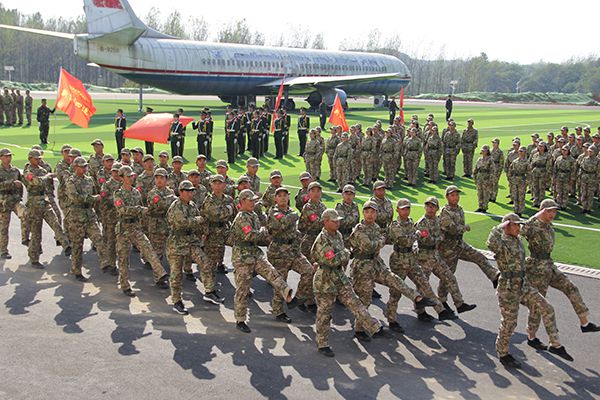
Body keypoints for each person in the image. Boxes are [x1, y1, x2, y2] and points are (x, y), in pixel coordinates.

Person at [487, 213, 573, 368]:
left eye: (519, 224)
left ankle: (555, 344)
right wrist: (501, 225)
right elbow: (491, 241)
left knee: (546, 307)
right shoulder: (501, 243)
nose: (519, 227)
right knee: (509, 323)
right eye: (515, 224)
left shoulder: (518, 239)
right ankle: (503, 353)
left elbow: (530, 224)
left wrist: (540, 213)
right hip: (508, 288)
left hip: (523, 284)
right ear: (507, 226)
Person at [348, 201, 436, 338]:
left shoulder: (376, 227)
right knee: (365, 300)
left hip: (376, 263)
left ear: (376, 214)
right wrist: (382, 239)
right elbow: (370, 246)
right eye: (367, 212)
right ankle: (359, 330)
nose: (370, 215)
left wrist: (383, 239)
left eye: (373, 212)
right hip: (362, 267)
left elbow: (386, 239)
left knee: (395, 280)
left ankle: (417, 298)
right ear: (363, 213)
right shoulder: (359, 229)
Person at [521, 199, 600, 348]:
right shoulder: (533, 226)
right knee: (538, 304)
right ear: (541, 211)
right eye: (549, 211)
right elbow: (521, 231)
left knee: (571, 287)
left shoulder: (548, 226)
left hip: (549, 265)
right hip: (537, 269)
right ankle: (531, 337)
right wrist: (535, 216)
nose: (552, 214)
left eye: (554, 211)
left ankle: (585, 323)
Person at [311, 208, 383, 357]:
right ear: (325, 222)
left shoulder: (337, 235)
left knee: (355, 302)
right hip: (325, 280)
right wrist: (345, 253)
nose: (338, 223)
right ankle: (322, 343)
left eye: (338, 221)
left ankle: (373, 326)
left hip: (339, 276)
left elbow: (341, 256)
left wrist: (343, 254)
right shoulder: (322, 239)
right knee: (325, 312)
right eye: (334, 221)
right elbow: (333, 260)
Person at [230, 189, 297, 333]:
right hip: (242, 257)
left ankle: (288, 295)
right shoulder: (241, 217)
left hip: (254, 253)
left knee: (273, 273)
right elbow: (251, 235)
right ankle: (240, 319)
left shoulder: (253, 215)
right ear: (242, 202)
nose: (253, 203)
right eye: (250, 200)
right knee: (243, 290)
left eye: (254, 200)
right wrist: (265, 231)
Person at [387, 198, 457, 323]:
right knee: (396, 292)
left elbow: (415, 240)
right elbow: (406, 241)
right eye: (403, 209)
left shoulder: (410, 222)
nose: (405, 211)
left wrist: (417, 236)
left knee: (424, 284)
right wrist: (418, 234)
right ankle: (392, 320)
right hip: (399, 260)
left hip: (411, 259)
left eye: (407, 208)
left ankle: (440, 311)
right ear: (397, 210)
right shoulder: (395, 225)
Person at [437, 185, 500, 303]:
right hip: (448, 248)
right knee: (448, 275)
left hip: (460, 244)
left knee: (479, 257)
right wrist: (464, 228)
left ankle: (494, 276)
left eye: (457, 195)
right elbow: (452, 229)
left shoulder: (460, 209)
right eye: (452, 195)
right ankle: (442, 299)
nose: (455, 197)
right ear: (447, 197)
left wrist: (462, 229)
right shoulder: (445, 212)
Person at [113, 166, 169, 296]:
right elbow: (122, 210)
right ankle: (125, 285)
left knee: (147, 248)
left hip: (135, 227)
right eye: (128, 176)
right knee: (123, 258)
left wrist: (143, 220)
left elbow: (142, 212)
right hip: (123, 229)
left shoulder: (136, 193)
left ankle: (160, 273)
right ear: (122, 178)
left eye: (132, 176)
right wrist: (139, 209)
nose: (131, 178)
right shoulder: (118, 194)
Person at [415, 196, 475, 316]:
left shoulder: (438, 221)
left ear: (437, 208)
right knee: (423, 285)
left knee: (450, 277)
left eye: (433, 206)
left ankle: (459, 304)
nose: (430, 208)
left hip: (436, 256)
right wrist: (439, 238)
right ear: (425, 207)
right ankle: (420, 312)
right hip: (424, 258)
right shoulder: (422, 223)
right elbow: (428, 240)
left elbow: (443, 235)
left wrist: (438, 238)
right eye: (428, 206)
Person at [267, 186, 317, 322]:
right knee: (281, 282)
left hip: (293, 251)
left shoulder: (290, 211)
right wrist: (294, 215)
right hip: (279, 252)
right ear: (275, 198)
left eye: (285, 195)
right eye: (280, 195)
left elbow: (294, 229)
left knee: (309, 271)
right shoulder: (274, 211)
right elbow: (283, 222)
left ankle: (298, 298)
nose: (283, 198)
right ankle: (278, 311)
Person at [167, 180, 217, 314]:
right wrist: (197, 220)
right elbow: (182, 223)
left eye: (192, 191)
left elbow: (199, 220)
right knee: (176, 274)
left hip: (190, 241)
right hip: (177, 243)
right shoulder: (176, 206)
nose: (191, 194)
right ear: (181, 192)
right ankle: (177, 301)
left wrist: (203, 230)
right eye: (188, 191)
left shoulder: (192, 205)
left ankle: (209, 291)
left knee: (205, 263)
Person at [65, 157, 112, 281]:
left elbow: (96, 193)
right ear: (75, 167)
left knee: (98, 239)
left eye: (85, 166)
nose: (84, 169)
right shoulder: (71, 181)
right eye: (82, 167)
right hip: (76, 216)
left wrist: (98, 203)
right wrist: (92, 198)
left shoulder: (89, 180)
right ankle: (76, 271)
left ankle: (105, 263)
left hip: (89, 215)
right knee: (77, 245)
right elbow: (75, 197)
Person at [22, 150, 70, 267]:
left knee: (55, 223)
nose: (39, 160)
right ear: (30, 159)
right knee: (36, 232)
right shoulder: (27, 172)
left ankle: (66, 245)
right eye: (36, 158)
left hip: (45, 201)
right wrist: (47, 177)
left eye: (39, 158)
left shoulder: (42, 170)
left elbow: (46, 186)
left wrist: (45, 178)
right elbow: (36, 182)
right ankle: (34, 258)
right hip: (34, 205)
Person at [201, 174, 235, 277]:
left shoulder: (228, 199)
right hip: (211, 230)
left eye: (220, 183)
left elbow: (234, 214)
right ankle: (209, 277)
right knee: (210, 254)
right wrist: (229, 209)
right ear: (211, 185)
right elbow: (216, 214)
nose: (217, 185)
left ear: (224, 185)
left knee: (221, 249)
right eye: (215, 183)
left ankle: (220, 264)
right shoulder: (209, 200)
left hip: (224, 228)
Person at [146, 168, 177, 261]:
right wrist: (172, 198)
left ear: (166, 179)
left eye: (161, 178)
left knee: (171, 249)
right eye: (157, 178)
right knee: (156, 251)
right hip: (156, 225)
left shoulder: (170, 192)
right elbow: (161, 204)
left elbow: (173, 206)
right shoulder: (152, 193)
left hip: (167, 223)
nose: (159, 180)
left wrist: (170, 199)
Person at [299, 181, 327, 261]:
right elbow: (316, 223)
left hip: (320, 239)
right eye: (313, 191)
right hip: (309, 240)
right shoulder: (308, 207)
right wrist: (330, 222)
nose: (316, 193)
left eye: (318, 191)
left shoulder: (322, 206)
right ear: (308, 193)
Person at [473, 145, 496, 213]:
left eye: (484, 150)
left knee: (485, 193)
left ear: (487, 151)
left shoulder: (490, 160)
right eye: (482, 150)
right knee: (479, 193)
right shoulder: (479, 159)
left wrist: (490, 181)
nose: (482, 151)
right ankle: (480, 206)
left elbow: (492, 171)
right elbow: (476, 169)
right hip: (479, 178)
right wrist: (475, 177)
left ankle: (484, 207)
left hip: (486, 179)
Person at [507, 147, 529, 217]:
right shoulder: (515, 161)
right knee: (515, 196)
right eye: (519, 151)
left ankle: (520, 211)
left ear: (525, 152)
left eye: (522, 151)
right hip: (514, 180)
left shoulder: (527, 162)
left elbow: (529, 173)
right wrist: (510, 179)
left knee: (521, 197)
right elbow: (510, 170)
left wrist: (526, 182)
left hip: (522, 180)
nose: (520, 152)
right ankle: (516, 210)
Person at [552, 145, 575, 210]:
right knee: (559, 191)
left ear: (568, 151)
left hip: (567, 177)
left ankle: (564, 205)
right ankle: (559, 204)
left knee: (565, 191)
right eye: (562, 150)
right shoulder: (558, 158)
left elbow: (573, 170)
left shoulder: (572, 160)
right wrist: (554, 177)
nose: (564, 151)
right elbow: (555, 168)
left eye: (565, 150)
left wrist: (572, 179)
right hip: (559, 176)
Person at [490, 138, 504, 202]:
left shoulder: (500, 152)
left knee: (495, 184)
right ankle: (490, 196)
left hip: (496, 169)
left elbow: (501, 163)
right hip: (490, 169)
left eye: (494, 143)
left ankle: (493, 197)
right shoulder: (490, 151)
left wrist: (499, 171)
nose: (493, 144)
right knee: (490, 183)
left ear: (498, 144)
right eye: (493, 143)